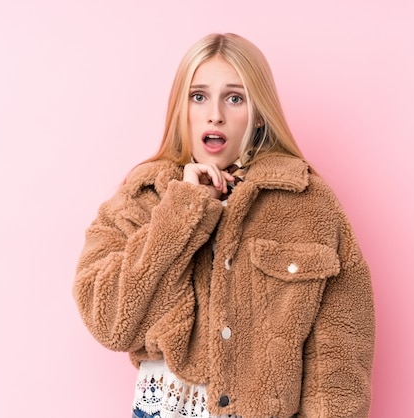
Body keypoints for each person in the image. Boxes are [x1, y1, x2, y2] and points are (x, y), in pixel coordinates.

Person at [73, 33, 375, 418]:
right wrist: (184, 210)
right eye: (198, 96)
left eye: (234, 98)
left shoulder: (308, 202)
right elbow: (111, 323)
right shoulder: (142, 197)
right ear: (181, 108)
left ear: (260, 112)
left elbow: (340, 357)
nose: (214, 113)